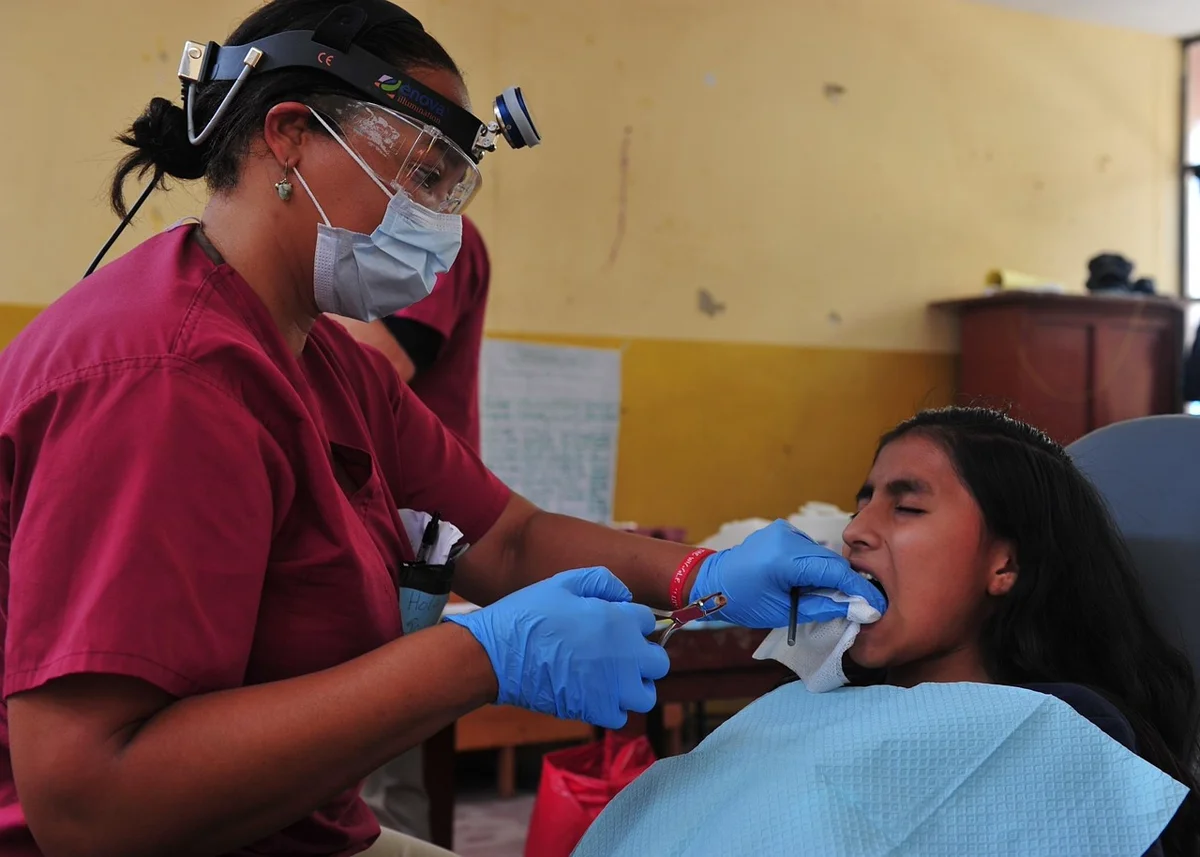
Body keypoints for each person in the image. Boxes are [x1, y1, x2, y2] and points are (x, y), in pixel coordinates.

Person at [0, 2, 887, 856]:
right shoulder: (163, 380)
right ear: (291, 135)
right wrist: (478, 659)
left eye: (452, 189)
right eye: (424, 175)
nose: (440, 225)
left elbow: (507, 537)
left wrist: (708, 574)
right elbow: (92, 807)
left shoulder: (327, 364)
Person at [841, 407, 1198, 855]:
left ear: (1005, 564)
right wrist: (720, 588)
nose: (854, 531)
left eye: (907, 508)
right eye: (862, 505)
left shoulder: (1058, 735)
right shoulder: (815, 702)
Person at [339, 220, 492, 839]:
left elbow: (384, 360)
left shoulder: (426, 237)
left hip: (408, 525)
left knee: (380, 778)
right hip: (355, 518)